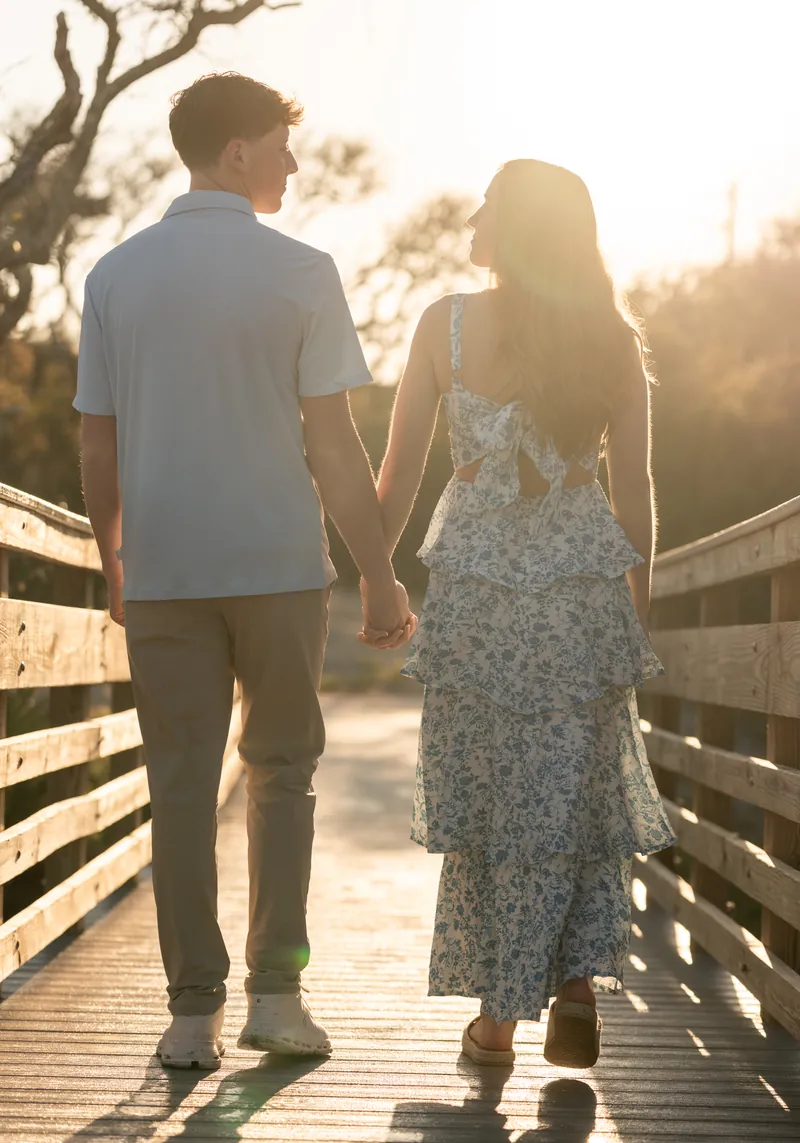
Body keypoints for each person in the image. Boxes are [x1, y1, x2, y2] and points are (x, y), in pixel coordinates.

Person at [75, 72, 414, 1070]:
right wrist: (380, 577)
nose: (292, 164)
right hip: (275, 566)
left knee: (179, 784)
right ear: (236, 153)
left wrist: (113, 561)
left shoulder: (113, 277)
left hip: (166, 570)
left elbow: (98, 445)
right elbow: (335, 450)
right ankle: (274, 996)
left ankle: (191, 1015)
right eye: (280, 145)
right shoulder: (302, 272)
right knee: (282, 777)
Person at [366, 159, 675, 1069]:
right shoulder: (612, 340)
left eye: (488, 203)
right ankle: (575, 986)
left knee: (497, 800)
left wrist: (377, 577)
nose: (472, 214)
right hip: (581, 598)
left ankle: (498, 1021)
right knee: (577, 797)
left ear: (519, 228)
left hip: (480, 600)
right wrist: (637, 620)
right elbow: (637, 494)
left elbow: (400, 472)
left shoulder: (444, 325)